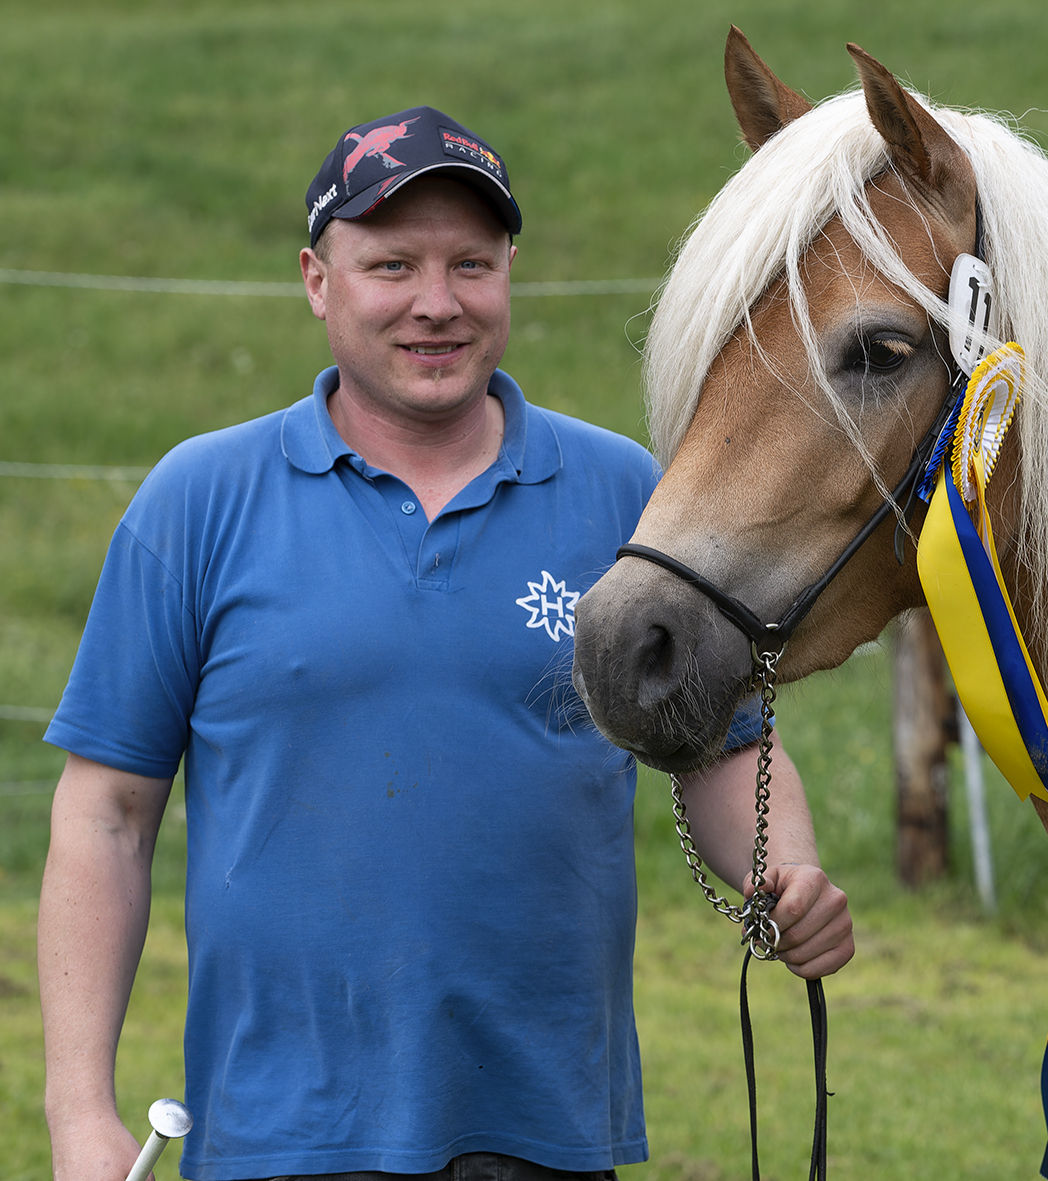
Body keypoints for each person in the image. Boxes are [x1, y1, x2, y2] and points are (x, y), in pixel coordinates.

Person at [38, 105, 854, 1181]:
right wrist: (77, 1111)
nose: (437, 303)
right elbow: (106, 814)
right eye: (391, 265)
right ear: (317, 280)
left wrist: (782, 874)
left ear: (509, 271)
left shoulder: (624, 498)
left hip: (545, 1125)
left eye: (472, 263)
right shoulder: (199, 502)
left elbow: (725, 748)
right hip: (277, 1133)